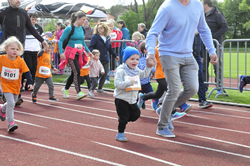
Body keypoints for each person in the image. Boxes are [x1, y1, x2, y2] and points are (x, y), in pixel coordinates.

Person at [145, 0, 218, 138]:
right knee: (174, 89)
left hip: (187, 54)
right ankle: (162, 126)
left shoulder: (196, 5)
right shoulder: (167, 7)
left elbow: (203, 29)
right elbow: (153, 33)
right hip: (168, 53)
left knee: (192, 88)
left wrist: (211, 50)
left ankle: (164, 109)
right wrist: (150, 53)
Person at [137, 41, 188, 120]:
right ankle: (173, 113)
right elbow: (150, 55)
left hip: (166, 75)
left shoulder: (170, 49)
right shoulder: (157, 49)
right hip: (160, 76)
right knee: (171, 91)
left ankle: (143, 97)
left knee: (157, 94)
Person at [114, 46, 154, 142]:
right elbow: (117, 84)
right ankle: (120, 134)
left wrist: (149, 67)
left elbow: (144, 74)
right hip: (121, 99)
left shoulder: (136, 70)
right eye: (132, 59)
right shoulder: (121, 71)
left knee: (136, 114)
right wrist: (128, 83)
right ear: (126, 59)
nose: (134, 61)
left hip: (132, 99)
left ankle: (123, 117)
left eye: (137, 59)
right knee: (124, 118)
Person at [0, 36, 33, 132]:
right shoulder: (2, 59)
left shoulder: (20, 61)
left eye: (17, 49)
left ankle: (2, 109)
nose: (15, 51)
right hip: (5, 85)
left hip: (16, 86)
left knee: (12, 102)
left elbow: (27, 72)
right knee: (11, 103)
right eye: (12, 49)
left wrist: (30, 82)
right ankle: (11, 122)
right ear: (6, 49)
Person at [59, 11, 93, 100]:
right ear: (78, 18)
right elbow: (61, 40)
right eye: (83, 19)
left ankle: (65, 88)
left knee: (74, 72)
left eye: (85, 20)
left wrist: (88, 51)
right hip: (70, 54)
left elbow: (82, 42)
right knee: (77, 71)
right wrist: (61, 52)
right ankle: (78, 92)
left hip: (79, 53)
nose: (84, 21)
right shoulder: (69, 28)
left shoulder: (82, 29)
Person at [202, 0, 228, 94]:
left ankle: (219, 87)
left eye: (202, 3)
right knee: (204, 66)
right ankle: (205, 87)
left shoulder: (218, 15)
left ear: (206, 5)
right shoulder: (202, 15)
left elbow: (225, 27)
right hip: (204, 46)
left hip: (216, 45)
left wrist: (213, 37)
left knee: (217, 67)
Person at [89, 22, 119, 94]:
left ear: (105, 29)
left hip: (106, 58)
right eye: (98, 28)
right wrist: (92, 54)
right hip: (97, 58)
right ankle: (91, 87)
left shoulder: (108, 37)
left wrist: (115, 55)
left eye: (101, 28)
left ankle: (100, 88)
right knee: (98, 73)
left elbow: (110, 48)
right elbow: (91, 46)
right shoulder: (95, 37)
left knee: (104, 73)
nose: (99, 29)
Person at [22, 12, 44, 91]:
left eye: (35, 20)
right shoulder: (25, 27)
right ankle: (23, 83)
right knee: (29, 67)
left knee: (34, 68)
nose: (34, 21)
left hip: (36, 51)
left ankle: (29, 85)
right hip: (27, 50)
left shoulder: (39, 28)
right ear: (29, 19)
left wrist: (44, 46)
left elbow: (43, 38)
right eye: (32, 19)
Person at [193, 31, 213, 108]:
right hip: (187, 55)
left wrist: (201, 55)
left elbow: (201, 44)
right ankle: (179, 102)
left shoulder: (199, 31)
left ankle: (202, 100)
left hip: (197, 56)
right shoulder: (187, 26)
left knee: (200, 78)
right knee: (184, 79)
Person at [137, 41, 158, 111]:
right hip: (140, 83)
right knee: (151, 95)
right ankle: (141, 102)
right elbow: (145, 69)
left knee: (152, 94)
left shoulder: (143, 58)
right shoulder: (143, 59)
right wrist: (155, 70)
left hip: (146, 82)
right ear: (145, 50)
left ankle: (155, 106)